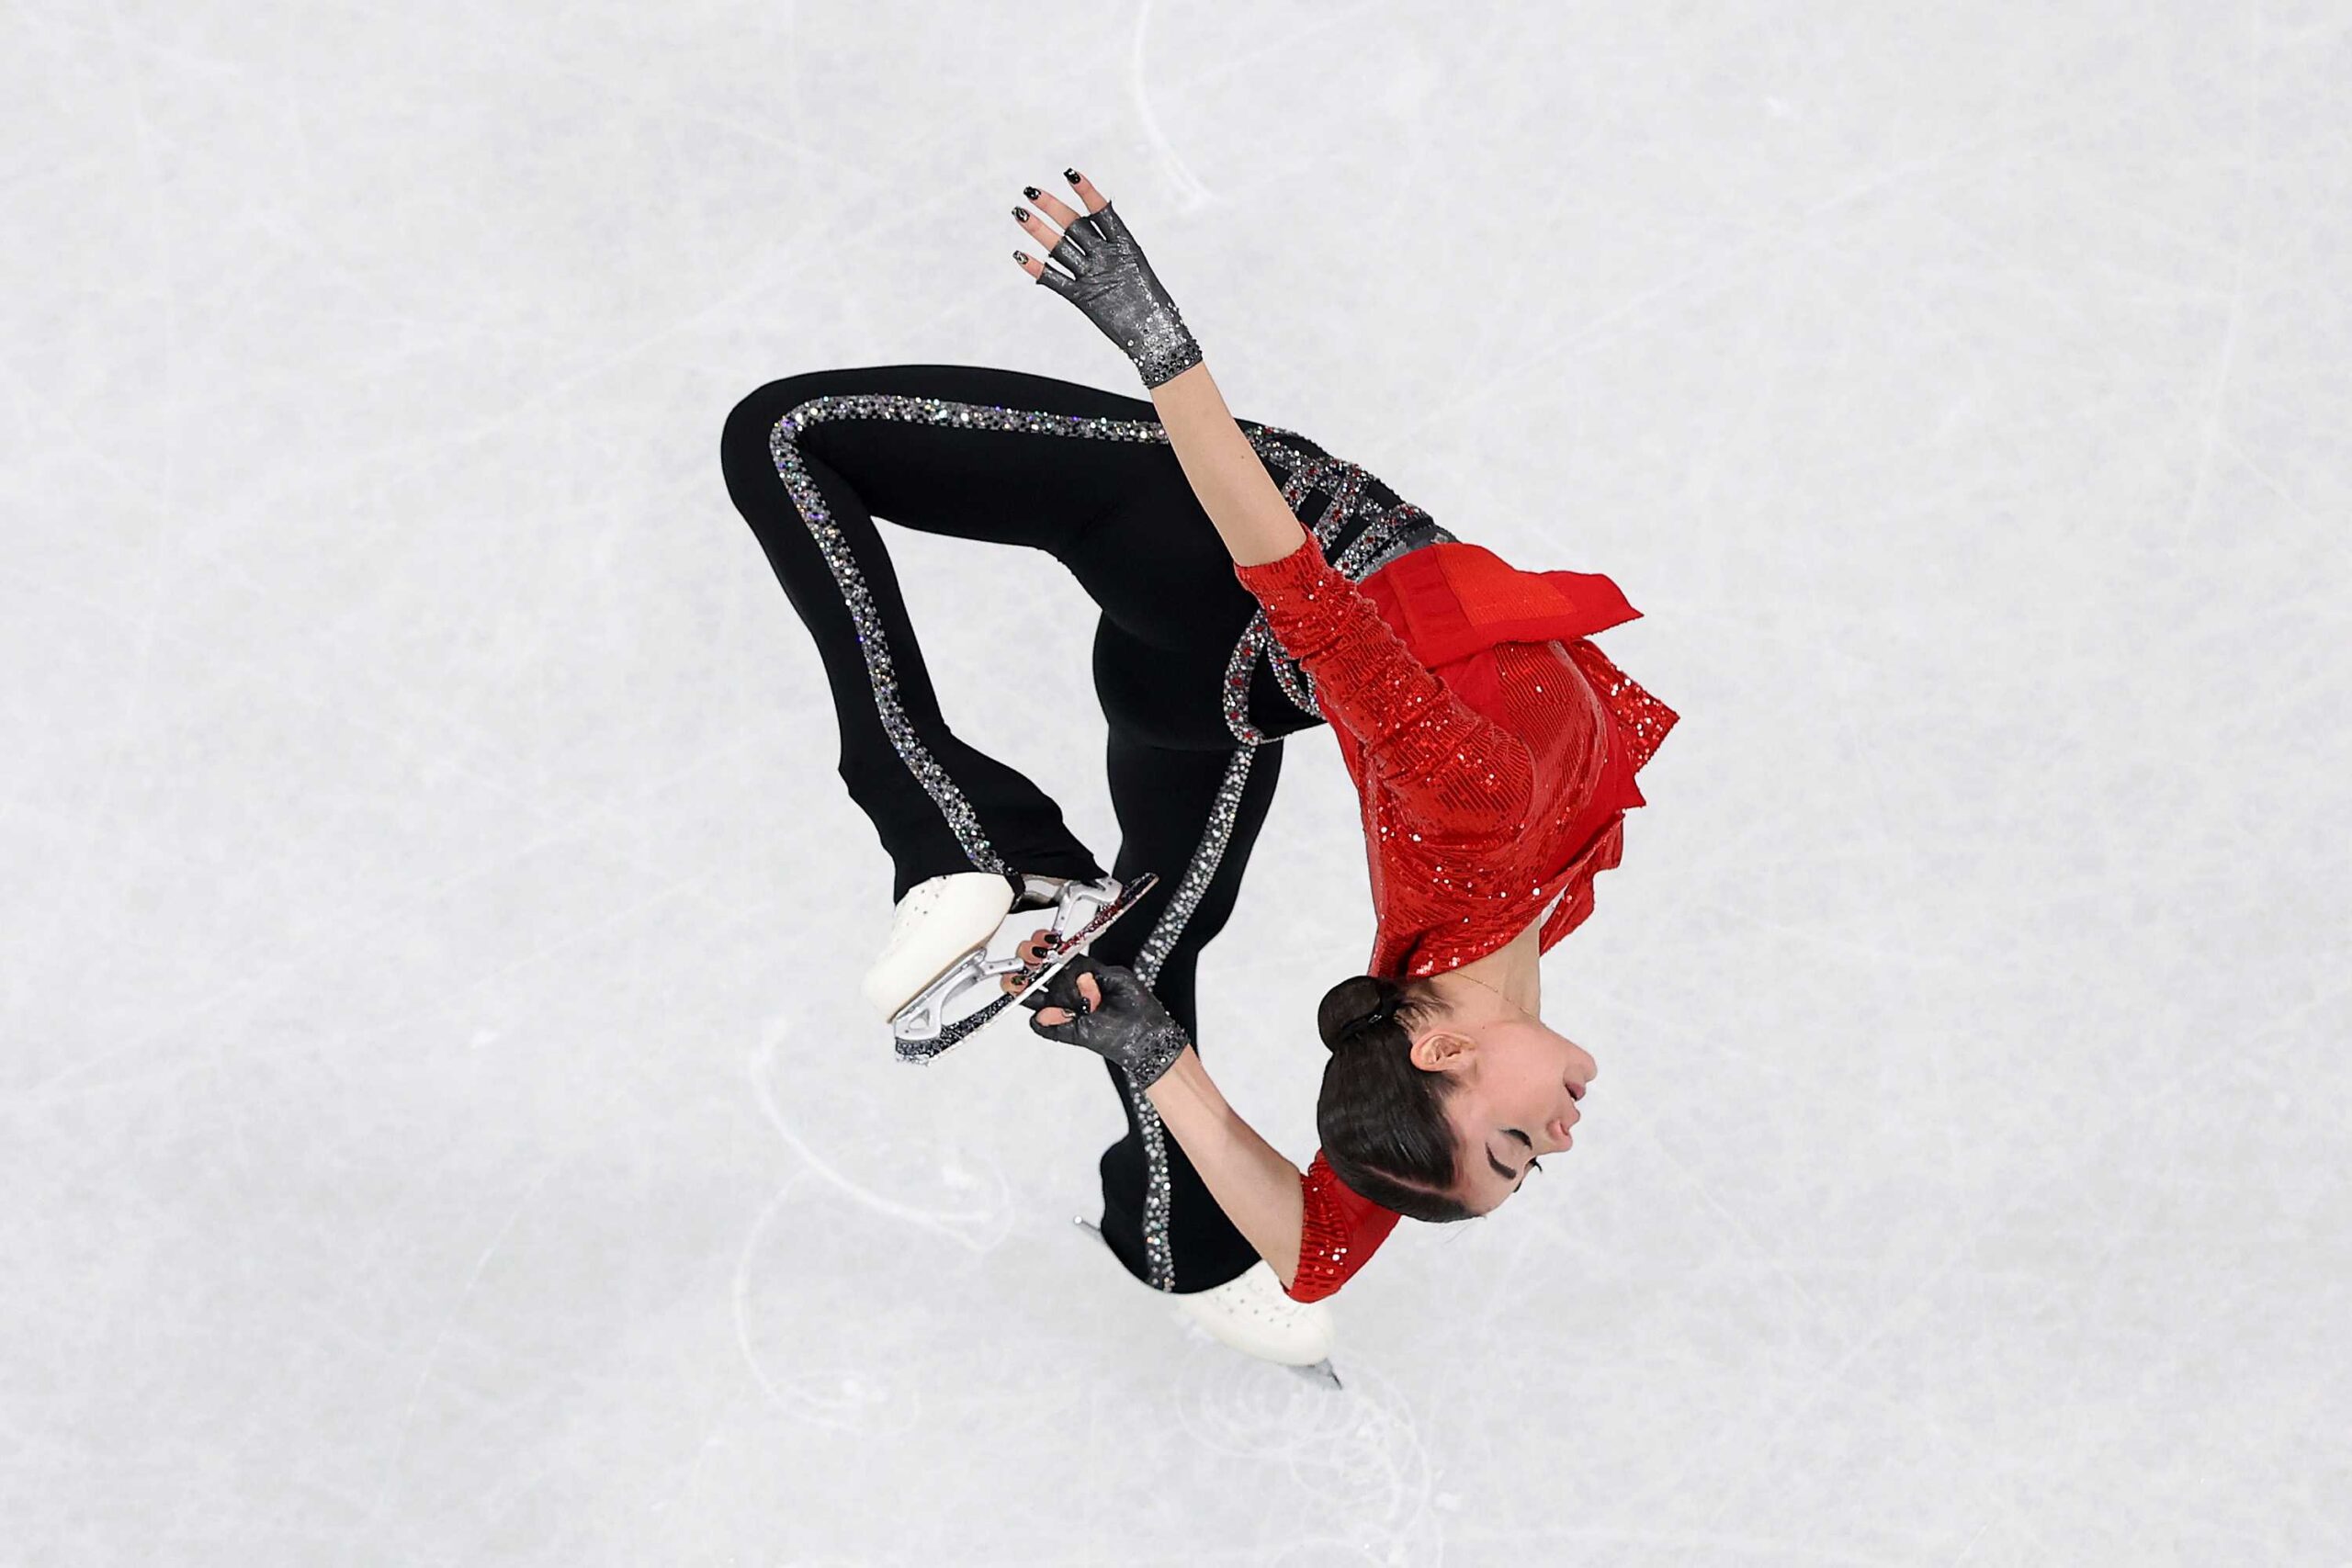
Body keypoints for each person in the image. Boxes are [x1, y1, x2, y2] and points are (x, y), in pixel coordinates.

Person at [715, 167, 1677, 1370]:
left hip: (1227, 566)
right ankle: (1184, 1251)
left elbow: (1296, 583)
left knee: (785, 437)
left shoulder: (1475, 820)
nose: (1559, 1142)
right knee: (1148, 948)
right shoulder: (1524, 922)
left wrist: (1156, 338)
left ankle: (959, 836)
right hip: (1234, 694)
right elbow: (1319, 1249)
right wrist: (1148, 1045)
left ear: (1445, 1055)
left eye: (1514, 1149)